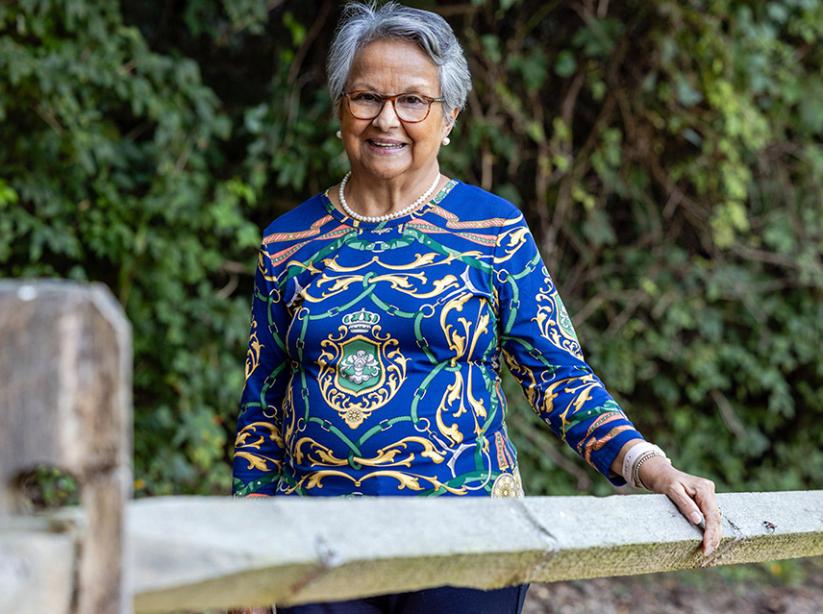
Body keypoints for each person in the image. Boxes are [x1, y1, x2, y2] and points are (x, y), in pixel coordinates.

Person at [230, 2, 722, 612]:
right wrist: (247, 545)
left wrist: (651, 467)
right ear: (340, 109)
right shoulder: (288, 241)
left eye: (413, 101)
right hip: (317, 548)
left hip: (469, 544)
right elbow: (263, 403)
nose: (387, 119)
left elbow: (556, 375)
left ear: (450, 118)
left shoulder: (492, 229)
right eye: (366, 98)